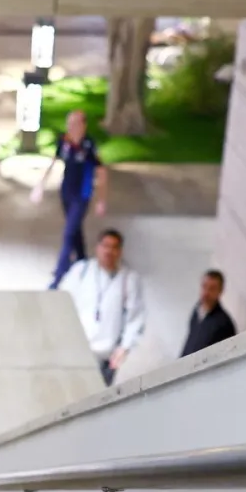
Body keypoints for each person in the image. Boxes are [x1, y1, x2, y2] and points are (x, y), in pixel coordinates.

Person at [31, 110, 109, 289]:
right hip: (66, 192)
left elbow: (101, 171)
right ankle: (82, 260)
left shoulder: (89, 145)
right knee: (75, 230)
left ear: (83, 125)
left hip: (82, 195)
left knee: (68, 233)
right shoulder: (64, 141)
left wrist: (101, 199)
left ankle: (60, 274)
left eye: (75, 124)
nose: (71, 128)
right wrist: (40, 186)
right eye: (69, 124)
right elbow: (53, 161)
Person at [59, 228, 146, 385]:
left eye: (114, 247)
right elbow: (61, 302)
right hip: (77, 350)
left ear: (120, 251)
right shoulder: (82, 271)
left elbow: (135, 317)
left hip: (105, 356)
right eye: (105, 246)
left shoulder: (129, 279)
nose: (109, 251)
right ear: (98, 247)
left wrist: (124, 348)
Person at [180, 269, 236, 357]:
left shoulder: (224, 323)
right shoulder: (196, 311)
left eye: (212, 289)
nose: (206, 293)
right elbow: (191, 343)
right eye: (204, 286)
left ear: (220, 291)